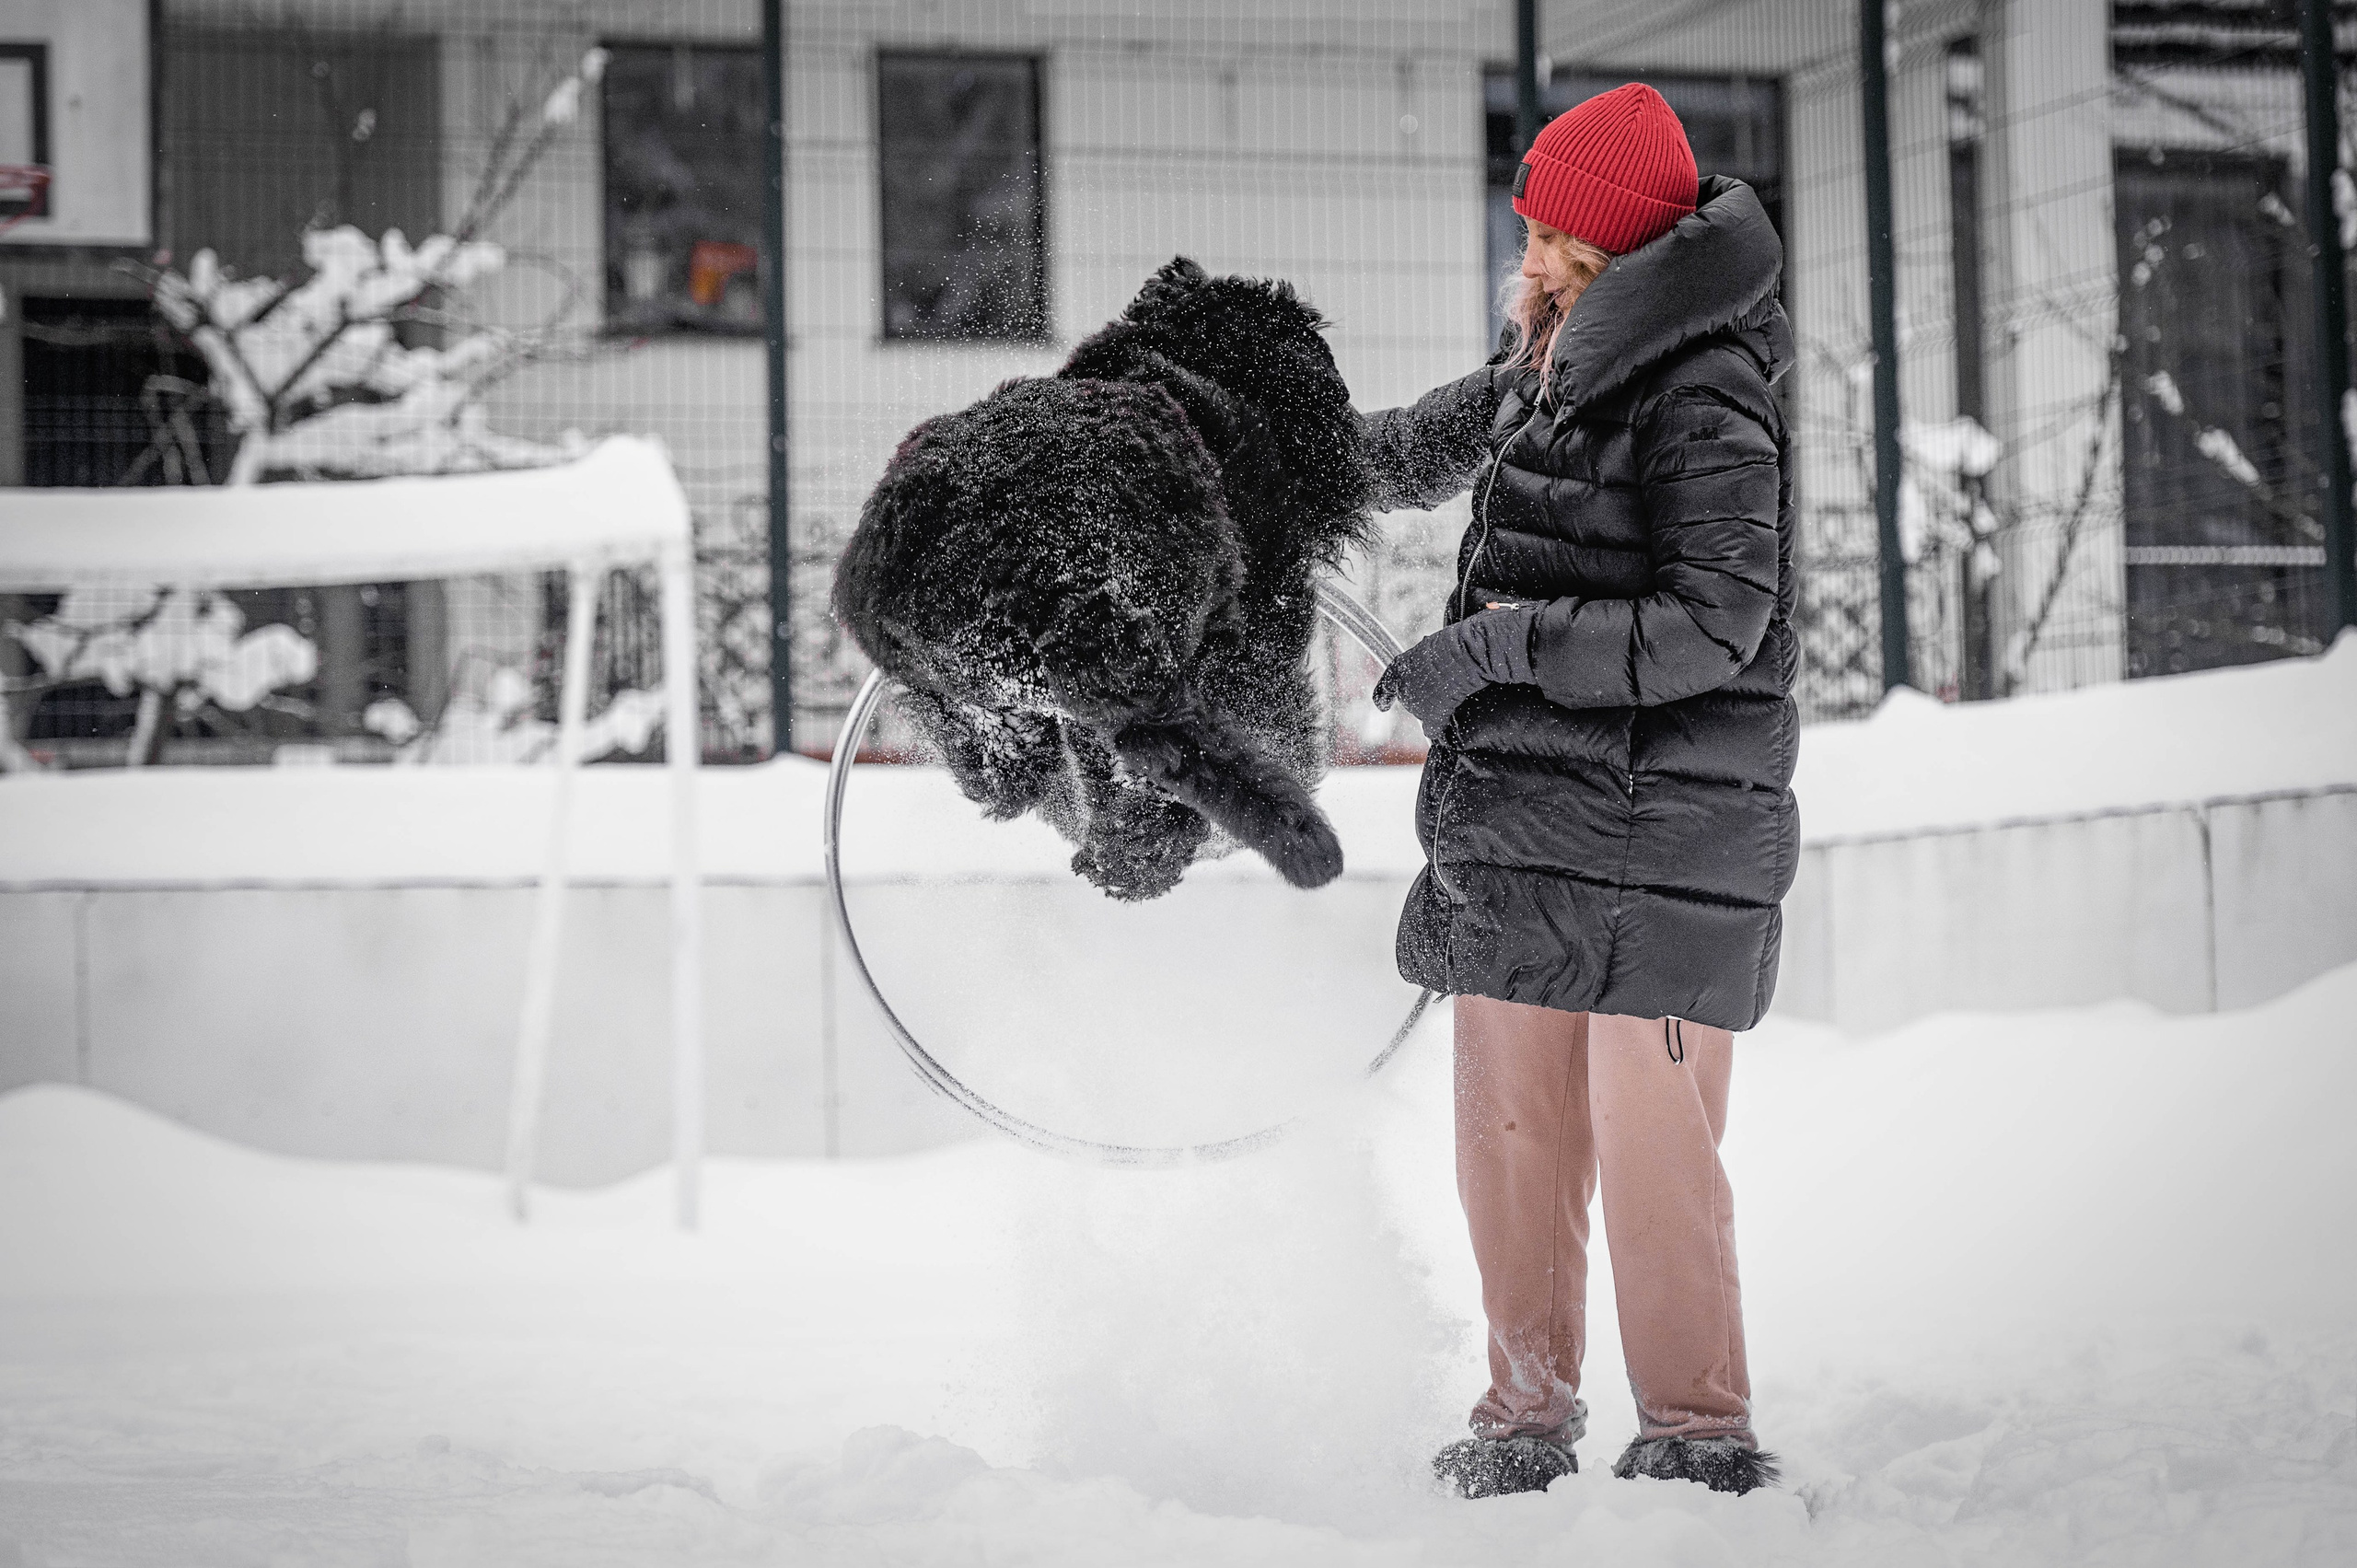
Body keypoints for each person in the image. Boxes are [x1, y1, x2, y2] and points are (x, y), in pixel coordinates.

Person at [1364, 83, 1795, 1500]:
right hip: (1529, 824)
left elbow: (1715, 623)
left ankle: (1696, 1430)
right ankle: (1522, 1417)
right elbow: (1381, 459)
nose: (1535, 263)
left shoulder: (1707, 387)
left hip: (1670, 838)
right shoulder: (1537, 375)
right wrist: (1230, 467)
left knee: (1654, 1144)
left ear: (1632, 261)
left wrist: (1488, 651)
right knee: (1509, 1132)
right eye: (1532, 232)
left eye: (1566, 247)